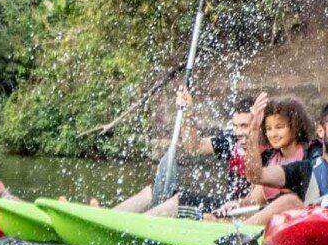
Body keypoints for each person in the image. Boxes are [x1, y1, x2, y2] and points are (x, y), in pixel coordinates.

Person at [111, 86, 266, 216]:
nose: (238, 132)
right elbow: (194, 146)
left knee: (180, 199)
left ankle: (134, 228)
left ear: (258, 124)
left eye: (245, 126)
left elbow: (255, 199)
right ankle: (111, 217)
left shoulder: (268, 153)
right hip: (227, 205)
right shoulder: (232, 140)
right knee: (153, 192)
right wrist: (188, 113)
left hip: (241, 213)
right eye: (236, 126)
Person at [232, 101, 328, 227]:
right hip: (307, 236)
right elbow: (255, 176)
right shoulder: (303, 169)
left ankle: (238, 235)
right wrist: (253, 131)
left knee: (290, 202)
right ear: (320, 131)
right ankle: (239, 235)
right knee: (290, 201)